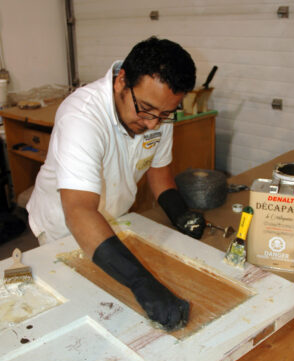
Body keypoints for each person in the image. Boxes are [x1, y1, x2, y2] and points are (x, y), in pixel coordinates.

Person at [27, 36, 206, 331]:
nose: (153, 123)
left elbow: (159, 174)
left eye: (164, 114)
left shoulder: (157, 115)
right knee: (83, 320)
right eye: (146, 109)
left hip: (113, 224)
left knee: (120, 317)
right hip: (66, 229)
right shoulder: (82, 117)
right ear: (122, 81)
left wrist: (180, 214)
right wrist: (142, 283)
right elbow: (80, 212)